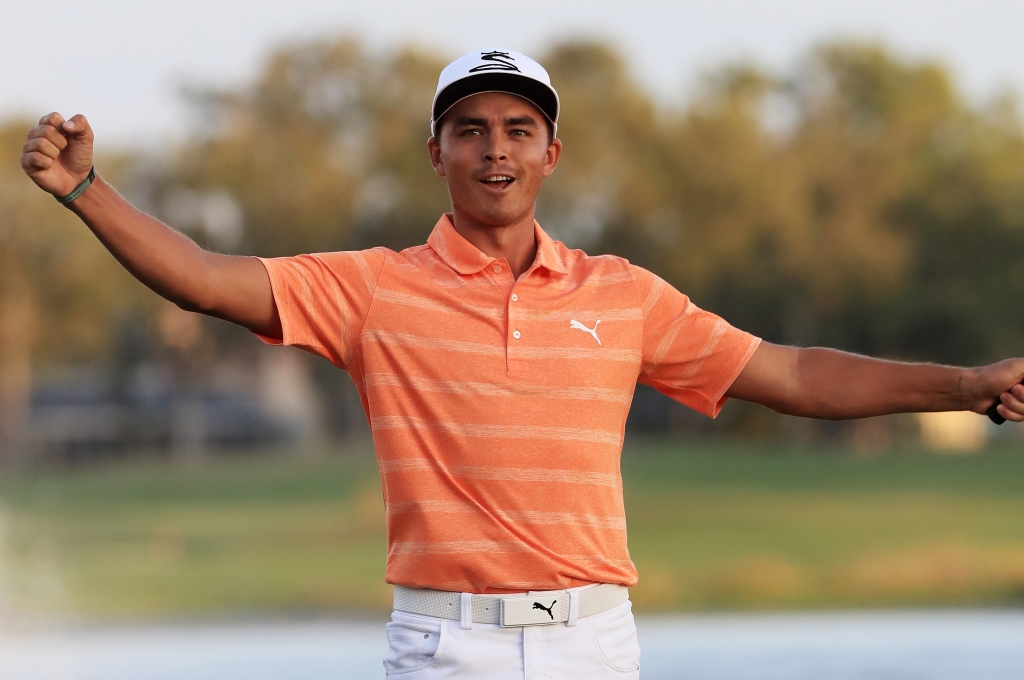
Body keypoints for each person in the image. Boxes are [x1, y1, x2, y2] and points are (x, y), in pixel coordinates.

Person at [20, 48, 1024, 679]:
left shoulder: (620, 292)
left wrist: (967, 383)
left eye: (516, 129)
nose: (493, 149)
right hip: (445, 646)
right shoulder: (373, 287)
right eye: (469, 130)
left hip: (591, 642)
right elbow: (201, 277)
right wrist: (86, 188)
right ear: (436, 153)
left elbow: (793, 374)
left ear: (551, 152)